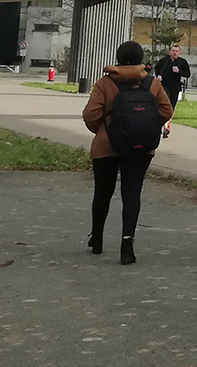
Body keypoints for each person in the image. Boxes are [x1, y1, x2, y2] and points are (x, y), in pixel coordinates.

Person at [82, 41, 172, 264]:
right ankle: (127, 245)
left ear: (118, 57)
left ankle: (98, 239)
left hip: (107, 146)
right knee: (132, 194)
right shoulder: (152, 84)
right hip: (141, 147)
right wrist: (146, 126)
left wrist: (104, 130)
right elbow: (166, 110)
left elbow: (90, 114)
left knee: (102, 192)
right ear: (141, 58)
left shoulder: (105, 83)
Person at [152, 45, 191, 138]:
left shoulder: (182, 62)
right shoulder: (164, 60)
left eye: (176, 51)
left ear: (179, 52)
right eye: (173, 50)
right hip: (164, 86)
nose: (174, 53)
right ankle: (164, 126)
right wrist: (158, 75)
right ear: (169, 52)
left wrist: (179, 71)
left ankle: (166, 126)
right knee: (165, 104)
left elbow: (187, 74)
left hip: (175, 87)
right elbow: (157, 68)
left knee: (171, 107)